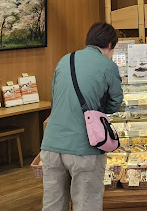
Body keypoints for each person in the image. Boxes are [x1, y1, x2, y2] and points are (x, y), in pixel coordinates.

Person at [41, 22, 123, 211]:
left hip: (51, 145)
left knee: (52, 205)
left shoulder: (65, 60)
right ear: (110, 45)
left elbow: (56, 97)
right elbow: (115, 104)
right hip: (84, 148)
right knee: (86, 204)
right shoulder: (108, 66)